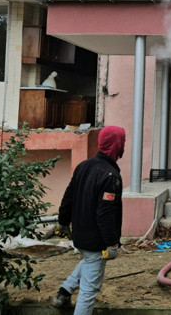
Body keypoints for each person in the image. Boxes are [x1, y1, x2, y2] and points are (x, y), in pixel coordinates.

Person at [52, 125, 126, 314]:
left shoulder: (84, 166)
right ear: (117, 145)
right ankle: (67, 293)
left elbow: (68, 197)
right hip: (97, 241)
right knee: (89, 291)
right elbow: (105, 213)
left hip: (81, 236)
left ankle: (64, 291)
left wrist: (63, 223)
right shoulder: (111, 176)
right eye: (122, 141)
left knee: (90, 259)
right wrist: (111, 244)